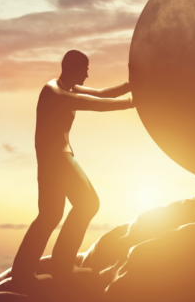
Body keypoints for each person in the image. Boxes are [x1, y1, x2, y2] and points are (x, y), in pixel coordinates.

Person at [10, 49, 134, 283]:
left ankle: (25, 273)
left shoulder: (64, 86)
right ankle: (59, 266)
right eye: (85, 70)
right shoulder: (55, 93)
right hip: (58, 159)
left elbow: (101, 93)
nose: (87, 75)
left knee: (50, 215)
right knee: (88, 203)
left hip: (53, 159)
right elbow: (96, 104)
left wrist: (131, 85)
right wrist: (132, 102)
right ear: (72, 68)